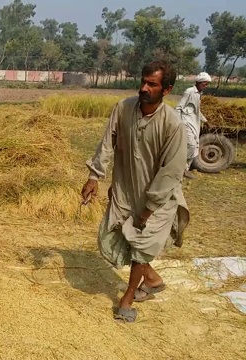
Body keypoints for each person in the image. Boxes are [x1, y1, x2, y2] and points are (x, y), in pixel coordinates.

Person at [81, 60, 190, 323]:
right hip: (126, 190)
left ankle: (127, 298)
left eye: (152, 84)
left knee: (141, 245)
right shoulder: (124, 108)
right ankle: (151, 279)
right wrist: (94, 176)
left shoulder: (173, 125)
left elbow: (171, 172)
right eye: (143, 81)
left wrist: (150, 207)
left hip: (159, 198)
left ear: (166, 89)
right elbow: (107, 143)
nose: (144, 87)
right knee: (114, 236)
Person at [175, 72, 211, 179]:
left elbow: (197, 111)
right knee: (190, 145)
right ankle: (178, 167)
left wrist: (205, 121)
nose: (206, 86)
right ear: (199, 83)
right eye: (205, 84)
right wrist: (178, 123)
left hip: (194, 122)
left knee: (195, 145)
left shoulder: (199, 94)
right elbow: (179, 107)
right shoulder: (189, 91)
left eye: (207, 84)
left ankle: (185, 169)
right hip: (186, 122)